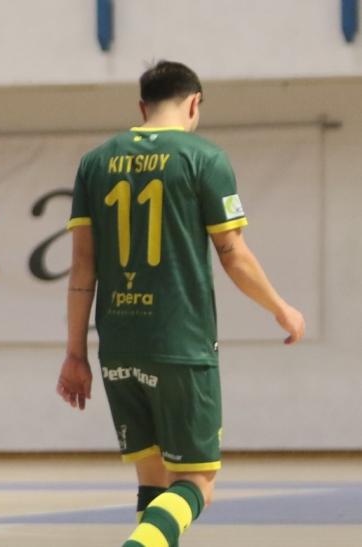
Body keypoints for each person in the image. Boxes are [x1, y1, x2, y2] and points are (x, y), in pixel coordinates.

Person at [57, 61, 306, 547]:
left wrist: (74, 354)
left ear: (142, 107)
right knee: (196, 485)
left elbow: (82, 269)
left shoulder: (95, 162)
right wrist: (280, 307)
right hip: (181, 344)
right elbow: (233, 254)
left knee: (152, 480)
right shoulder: (204, 158)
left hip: (118, 346)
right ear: (194, 103)